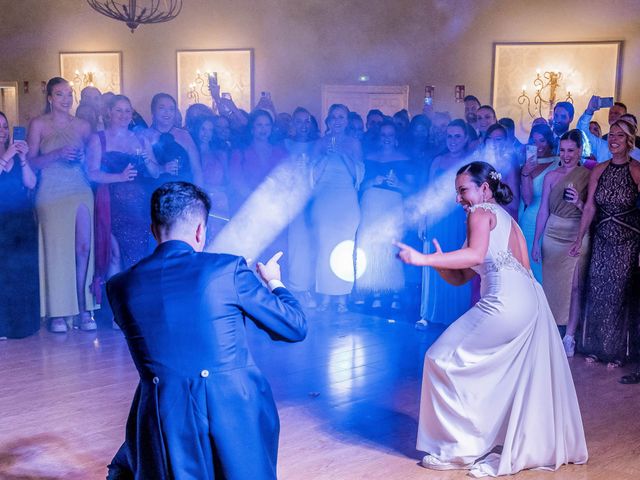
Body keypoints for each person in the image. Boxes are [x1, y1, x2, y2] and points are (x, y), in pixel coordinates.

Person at [395, 161, 588, 476]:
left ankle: (457, 450)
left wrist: (423, 258)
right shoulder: (507, 220)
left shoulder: (479, 213)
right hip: (528, 302)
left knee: (438, 358)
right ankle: (472, 438)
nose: (460, 199)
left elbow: (473, 257)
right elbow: (464, 275)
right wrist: (440, 262)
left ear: (485, 188)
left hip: (504, 301)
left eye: (463, 190)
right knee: (476, 368)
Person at [105, 181, 307, 479]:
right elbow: (294, 326)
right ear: (201, 230)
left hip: (162, 417)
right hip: (233, 412)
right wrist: (273, 281)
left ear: (153, 229)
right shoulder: (227, 270)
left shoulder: (120, 286)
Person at [27, 77, 98, 332]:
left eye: (69, 94)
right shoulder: (38, 124)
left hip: (79, 187)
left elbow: (94, 160)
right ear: (49, 98)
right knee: (57, 251)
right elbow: (30, 163)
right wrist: (57, 154)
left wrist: (82, 157)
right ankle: (58, 313)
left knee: (82, 247)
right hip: (50, 190)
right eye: (60, 94)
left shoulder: (83, 126)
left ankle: (83, 308)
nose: (66, 99)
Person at [570, 118, 640, 368]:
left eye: (620, 136)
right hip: (602, 236)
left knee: (618, 293)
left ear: (629, 140)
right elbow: (589, 206)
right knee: (597, 290)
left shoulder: (636, 170)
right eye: (611, 135)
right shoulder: (599, 169)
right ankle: (596, 348)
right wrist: (579, 238)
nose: (613, 140)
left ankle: (617, 353)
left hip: (627, 239)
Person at [532, 129, 590, 357]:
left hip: (577, 233)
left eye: (571, 151)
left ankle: (570, 336)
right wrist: (536, 241)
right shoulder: (551, 176)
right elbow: (543, 210)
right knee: (551, 286)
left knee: (575, 286)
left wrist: (578, 202)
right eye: (562, 150)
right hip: (553, 233)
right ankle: (551, 331)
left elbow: (591, 211)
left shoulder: (587, 175)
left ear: (579, 151)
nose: (566, 155)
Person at [86, 94, 159, 275]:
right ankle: (116, 299)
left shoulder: (141, 139)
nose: (124, 114)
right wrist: (119, 176)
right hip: (112, 206)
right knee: (115, 254)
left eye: (128, 110)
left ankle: (137, 298)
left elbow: (155, 172)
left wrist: (147, 161)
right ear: (109, 112)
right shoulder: (99, 139)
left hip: (140, 208)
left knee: (142, 255)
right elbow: (91, 173)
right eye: (119, 110)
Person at [416, 119, 471, 330]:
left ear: (465, 138)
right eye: (449, 136)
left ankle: (456, 316)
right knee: (434, 263)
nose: (453, 141)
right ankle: (428, 313)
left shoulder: (470, 163)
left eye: (457, 136)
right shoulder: (438, 161)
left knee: (456, 263)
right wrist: (423, 220)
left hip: (459, 218)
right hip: (437, 219)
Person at [311, 104, 364, 313]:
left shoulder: (354, 143)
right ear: (328, 121)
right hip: (324, 201)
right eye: (334, 117)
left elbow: (357, 176)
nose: (337, 121)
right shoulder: (320, 143)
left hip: (346, 201)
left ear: (347, 121)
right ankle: (324, 296)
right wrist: (325, 155)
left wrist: (342, 154)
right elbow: (312, 176)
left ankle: (342, 298)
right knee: (324, 248)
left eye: (341, 117)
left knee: (344, 247)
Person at [356, 120, 412, 310]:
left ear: (396, 138)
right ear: (379, 138)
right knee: (369, 245)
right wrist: (373, 180)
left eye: (390, 135)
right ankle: (370, 289)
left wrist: (398, 184)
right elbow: (359, 186)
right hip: (371, 204)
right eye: (383, 135)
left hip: (392, 205)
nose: (387, 138)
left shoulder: (405, 159)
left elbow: (412, 189)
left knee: (390, 246)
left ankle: (393, 290)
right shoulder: (369, 158)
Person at [0, 112, 39, 339]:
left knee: (23, 271)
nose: (3, 131)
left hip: (22, 220)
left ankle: (23, 325)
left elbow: (31, 183)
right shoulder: (6, 155)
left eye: (5, 127)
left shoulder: (16, 156)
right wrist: (6, 156)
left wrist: (23, 158)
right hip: (1, 223)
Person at [518, 123, 559, 282]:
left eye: (541, 141)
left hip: (548, 219)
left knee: (542, 267)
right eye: (533, 141)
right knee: (526, 266)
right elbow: (527, 199)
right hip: (528, 219)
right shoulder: (525, 166)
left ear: (549, 142)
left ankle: (543, 305)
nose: (538, 146)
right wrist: (526, 172)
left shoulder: (559, 163)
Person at [142, 93, 203, 189]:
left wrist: (199, 195)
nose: (167, 112)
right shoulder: (144, 135)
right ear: (153, 112)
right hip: (153, 190)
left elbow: (196, 170)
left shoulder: (184, 135)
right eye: (162, 108)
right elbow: (144, 170)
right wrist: (163, 168)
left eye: (171, 109)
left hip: (183, 189)